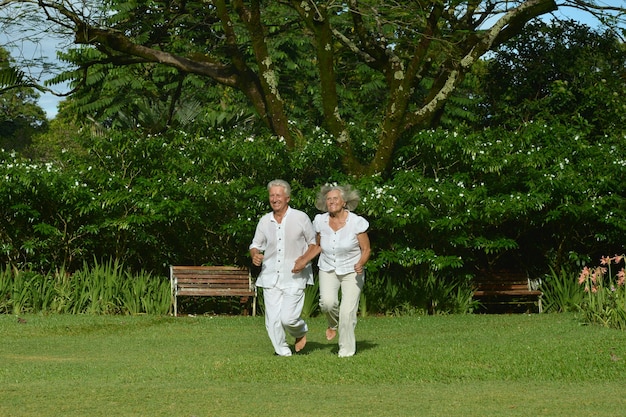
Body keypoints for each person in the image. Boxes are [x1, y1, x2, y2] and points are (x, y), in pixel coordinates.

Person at [249, 179, 320, 356]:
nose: (274, 199)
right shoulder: (265, 221)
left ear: (287, 197)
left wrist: (304, 260)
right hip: (270, 275)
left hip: (295, 276)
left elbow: (315, 244)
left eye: (278, 195)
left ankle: (300, 331)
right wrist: (255, 255)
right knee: (272, 319)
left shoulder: (300, 217)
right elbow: (255, 244)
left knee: (288, 319)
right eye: (271, 195)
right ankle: (282, 352)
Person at [313, 184, 371, 357]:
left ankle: (346, 351)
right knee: (327, 303)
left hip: (352, 270)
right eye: (328, 199)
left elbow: (366, 249)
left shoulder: (356, 222)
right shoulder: (319, 221)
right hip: (328, 267)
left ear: (344, 202)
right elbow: (317, 245)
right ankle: (333, 324)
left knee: (347, 312)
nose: (331, 202)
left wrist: (361, 262)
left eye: (335, 198)